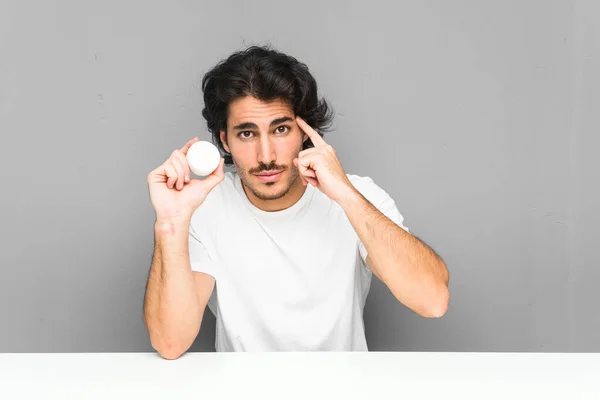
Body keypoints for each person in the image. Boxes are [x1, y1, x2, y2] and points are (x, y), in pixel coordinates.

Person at [144, 45, 449, 359]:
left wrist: (345, 195)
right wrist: (170, 224)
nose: (267, 156)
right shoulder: (204, 209)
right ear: (225, 141)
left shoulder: (357, 196)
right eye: (247, 134)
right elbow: (170, 342)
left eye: (281, 129)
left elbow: (433, 300)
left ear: (305, 132)